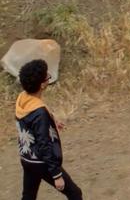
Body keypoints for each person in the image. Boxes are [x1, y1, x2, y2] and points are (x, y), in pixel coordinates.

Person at [16, 59, 83, 200]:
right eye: (47, 76)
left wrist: (50, 122)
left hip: (27, 158)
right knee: (75, 194)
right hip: (41, 163)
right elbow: (44, 145)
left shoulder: (22, 99)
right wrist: (56, 175)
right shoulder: (39, 112)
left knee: (28, 197)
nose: (48, 77)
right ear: (42, 84)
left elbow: (30, 122)